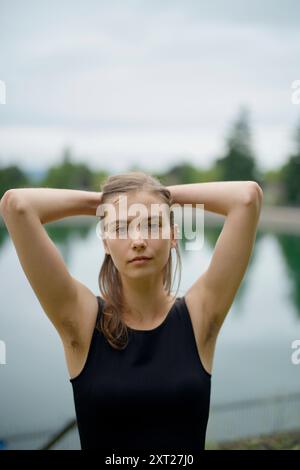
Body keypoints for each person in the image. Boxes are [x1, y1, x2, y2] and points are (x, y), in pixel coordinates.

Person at [0, 171, 263, 453]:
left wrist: (157, 197)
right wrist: (104, 203)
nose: (138, 240)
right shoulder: (82, 321)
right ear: (105, 243)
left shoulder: (200, 316)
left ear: (174, 235)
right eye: (122, 229)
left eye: (151, 225)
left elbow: (247, 198)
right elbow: (17, 205)